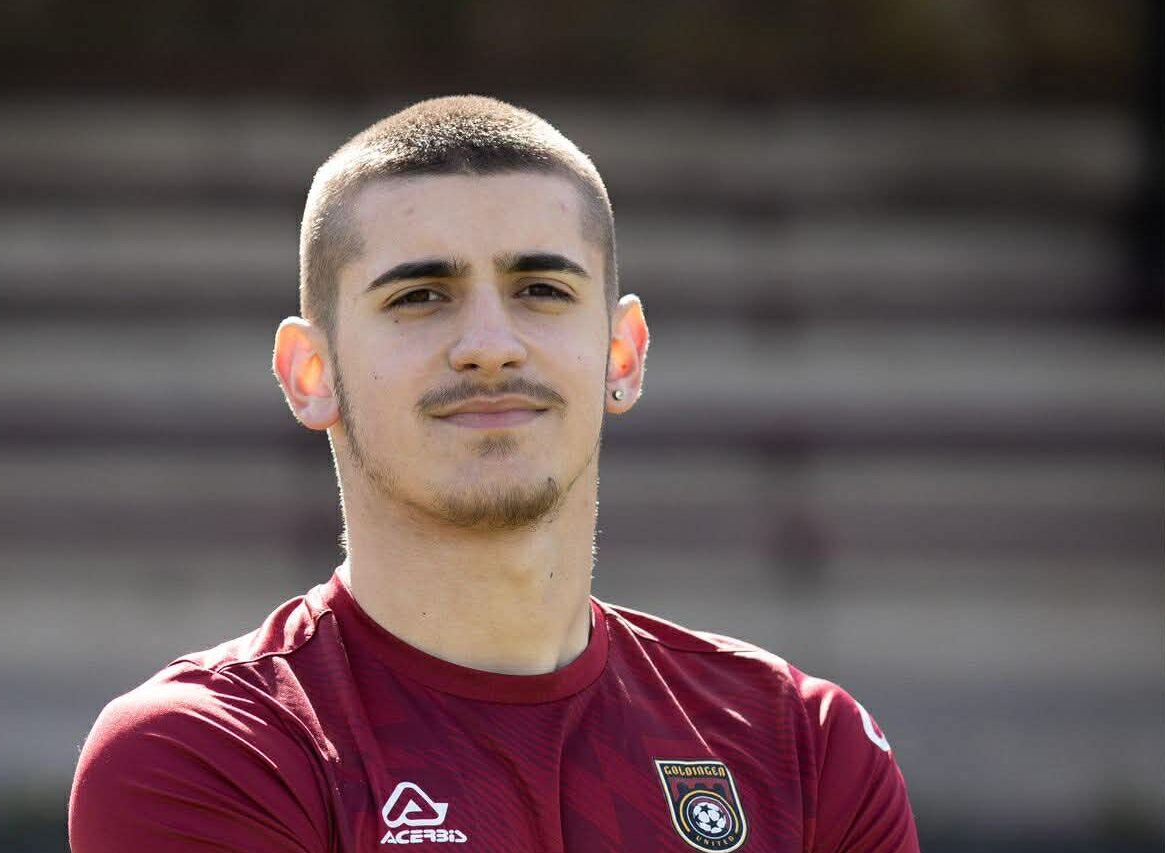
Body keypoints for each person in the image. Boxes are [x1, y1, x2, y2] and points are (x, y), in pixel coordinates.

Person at [68, 95, 920, 852]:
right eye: (418, 296)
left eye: (541, 289)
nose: (488, 345)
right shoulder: (212, 750)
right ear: (310, 372)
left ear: (621, 355)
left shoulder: (802, 747)